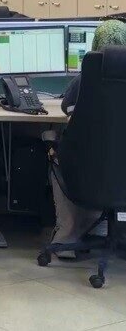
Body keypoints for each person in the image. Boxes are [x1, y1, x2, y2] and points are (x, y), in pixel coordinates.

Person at [47, 20, 126, 258]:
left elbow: (66, 107)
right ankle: (104, 227)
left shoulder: (85, 79)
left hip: (88, 174)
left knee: (54, 151)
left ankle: (68, 236)